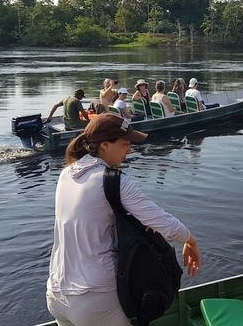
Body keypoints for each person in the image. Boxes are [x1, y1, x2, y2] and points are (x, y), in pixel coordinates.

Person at [46, 113, 202, 326]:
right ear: (104, 145)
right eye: (125, 144)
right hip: (93, 299)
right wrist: (190, 241)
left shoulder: (66, 174)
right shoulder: (114, 181)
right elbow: (163, 222)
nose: (129, 150)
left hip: (56, 294)